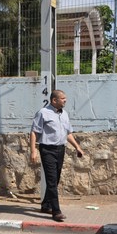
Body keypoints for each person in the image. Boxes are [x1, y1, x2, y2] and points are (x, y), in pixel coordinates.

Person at [30, 89, 84, 222]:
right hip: (47, 150)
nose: (65, 100)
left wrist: (77, 147)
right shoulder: (43, 113)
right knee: (52, 180)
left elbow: (68, 133)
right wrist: (33, 151)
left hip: (60, 149)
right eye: (63, 98)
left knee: (56, 179)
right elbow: (34, 132)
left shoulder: (64, 114)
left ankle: (46, 205)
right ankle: (56, 211)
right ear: (54, 100)